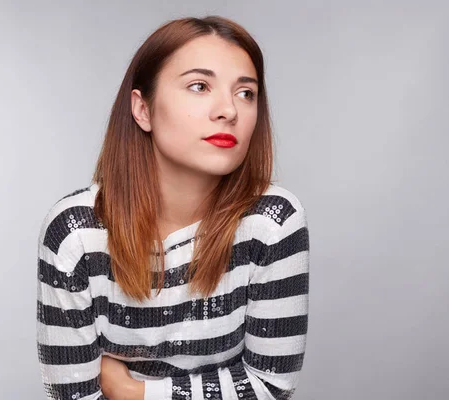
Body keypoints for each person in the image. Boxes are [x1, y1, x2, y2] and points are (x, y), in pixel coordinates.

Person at [36, 15, 310, 400]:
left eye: (245, 93)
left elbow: (269, 386)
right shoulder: (76, 234)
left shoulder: (272, 221)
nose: (228, 110)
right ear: (142, 110)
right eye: (199, 86)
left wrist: (133, 393)